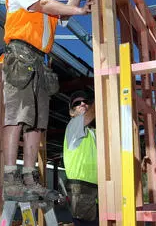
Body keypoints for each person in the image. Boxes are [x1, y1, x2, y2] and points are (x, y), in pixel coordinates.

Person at [2, 0, 93, 202]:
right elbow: (45, 4)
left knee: (37, 124)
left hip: (39, 63)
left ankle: (30, 179)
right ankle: (10, 179)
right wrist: (82, 12)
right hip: (19, 57)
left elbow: (66, 9)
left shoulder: (47, 9)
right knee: (16, 118)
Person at [64, 90, 98, 226]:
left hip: (95, 192)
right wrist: (102, 93)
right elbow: (93, 113)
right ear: (72, 112)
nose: (83, 104)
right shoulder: (73, 125)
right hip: (80, 191)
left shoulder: (93, 133)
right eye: (77, 103)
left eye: (86, 102)